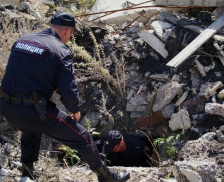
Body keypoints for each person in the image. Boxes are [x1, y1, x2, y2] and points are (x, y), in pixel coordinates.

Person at [0, 12, 130, 182]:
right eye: (71, 35)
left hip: (7, 108)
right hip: (32, 110)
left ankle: (27, 173)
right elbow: (68, 88)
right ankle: (106, 176)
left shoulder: (23, 40)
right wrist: (74, 110)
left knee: (30, 130)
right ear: (68, 31)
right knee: (82, 136)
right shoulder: (60, 51)